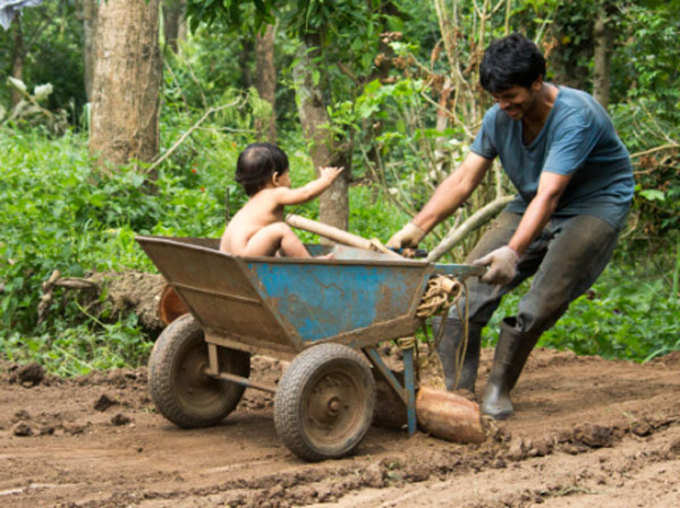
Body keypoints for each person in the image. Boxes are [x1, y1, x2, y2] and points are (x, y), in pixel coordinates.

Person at [387, 33, 634, 420]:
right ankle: (453, 390)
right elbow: (463, 180)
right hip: (532, 199)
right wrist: (415, 228)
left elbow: (550, 196)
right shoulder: (498, 117)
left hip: (592, 204)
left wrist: (512, 252)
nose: (504, 106)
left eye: (511, 96)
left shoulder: (575, 116)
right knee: (465, 292)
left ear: (538, 82)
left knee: (537, 303)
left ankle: (499, 389)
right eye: (496, 98)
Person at [220, 142, 343, 258]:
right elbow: (306, 193)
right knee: (281, 229)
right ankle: (310, 265)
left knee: (274, 241)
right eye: (288, 174)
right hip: (245, 252)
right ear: (276, 179)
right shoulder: (274, 193)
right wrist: (325, 181)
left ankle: (284, 264)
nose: (290, 179)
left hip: (229, 253)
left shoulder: (251, 204)